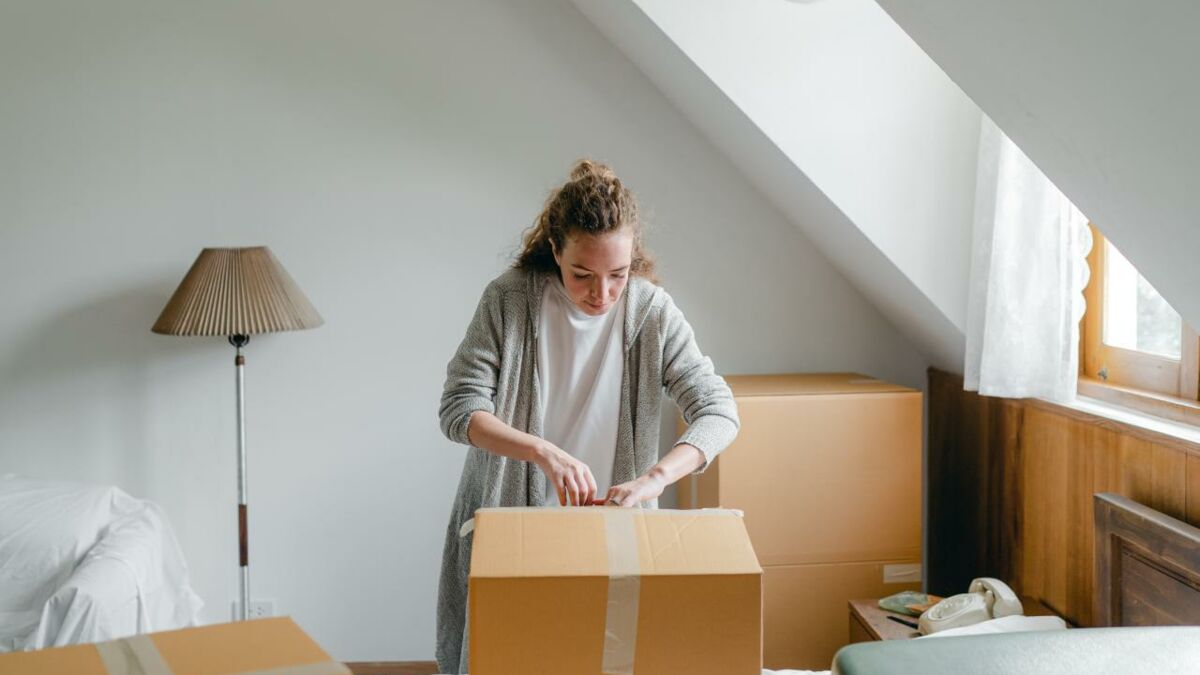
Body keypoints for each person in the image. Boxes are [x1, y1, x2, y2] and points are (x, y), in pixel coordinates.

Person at [435, 159, 739, 674]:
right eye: (583, 275)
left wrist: (655, 479)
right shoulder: (509, 301)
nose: (602, 294)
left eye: (617, 275)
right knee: (506, 659)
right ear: (555, 250)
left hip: (611, 532)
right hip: (516, 531)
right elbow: (459, 409)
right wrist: (543, 451)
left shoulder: (651, 312)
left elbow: (718, 410)